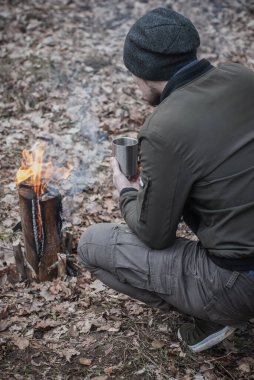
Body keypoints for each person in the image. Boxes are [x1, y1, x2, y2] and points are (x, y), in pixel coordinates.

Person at [78, 7, 254, 353]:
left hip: (239, 280)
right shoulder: (242, 77)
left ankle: (214, 314)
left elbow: (155, 234)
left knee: (91, 245)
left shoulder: (163, 128)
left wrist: (127, 192)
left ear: (142, 72)